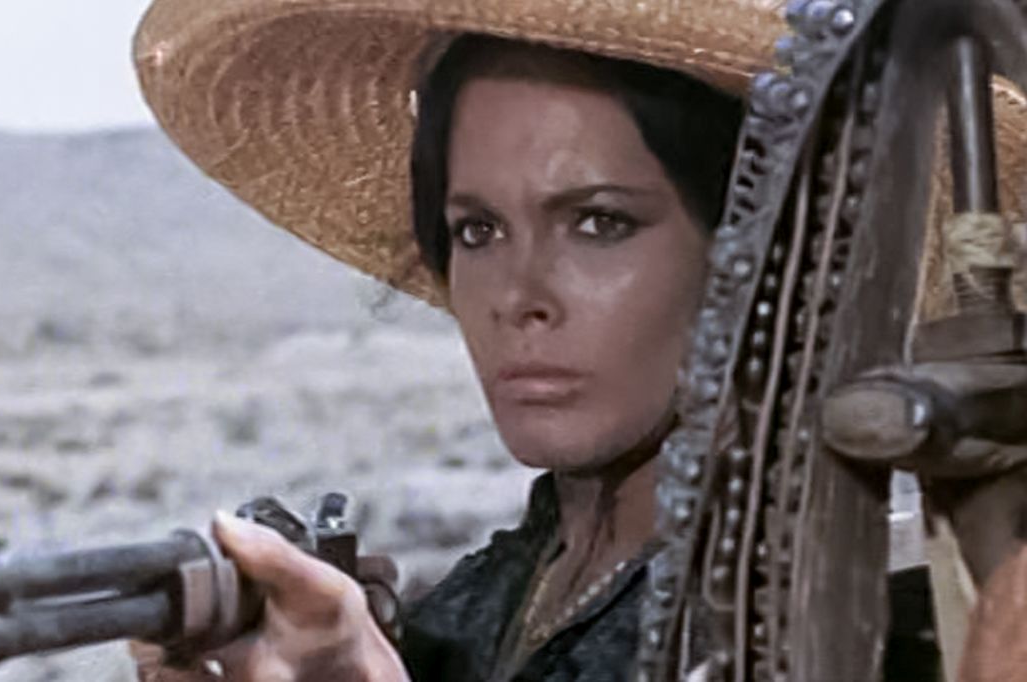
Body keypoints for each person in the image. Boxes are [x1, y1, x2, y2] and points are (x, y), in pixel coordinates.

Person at [129, 0, 1027, 680]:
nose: (518, 298)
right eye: (478, 230)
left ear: (758, 260)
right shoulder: (476, 609)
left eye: (599, 223)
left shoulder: (859, 619)